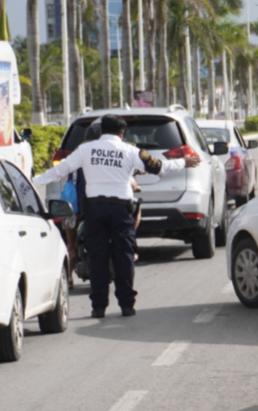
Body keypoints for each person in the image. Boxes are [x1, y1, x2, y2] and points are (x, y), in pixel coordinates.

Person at [33, 115, 199, 318]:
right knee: (124, 257)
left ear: (101, 131)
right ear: (122, 133)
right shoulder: (130, 151)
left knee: (97, 258)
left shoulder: (86, 149)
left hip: (95, 210)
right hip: (121, 210)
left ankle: (98, 307)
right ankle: (127, 305)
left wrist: (33, 181)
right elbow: (160, 167)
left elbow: (59, 171)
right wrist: (184, 162)